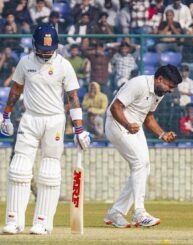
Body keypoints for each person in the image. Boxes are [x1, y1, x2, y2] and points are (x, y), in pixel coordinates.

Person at [1, 24, 90, 235]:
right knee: (19, 168)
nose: (47, 52)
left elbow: (73, 97)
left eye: (50, 48)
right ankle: (14, 221)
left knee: (49, 171)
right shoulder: (25, 63)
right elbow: (15, 90)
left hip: (54, 121)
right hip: (30, 118)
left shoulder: (64, 65)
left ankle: (43, 222)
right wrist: (5, 114)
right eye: (42, 48)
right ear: (34, 44)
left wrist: (79, 130)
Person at [104, 64, 182, 228]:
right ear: (159, 79)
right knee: (139, 164)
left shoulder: (159, 92)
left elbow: (149, 117)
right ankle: (139, 212)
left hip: (134, 126)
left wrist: (162, 134)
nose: (170, 90)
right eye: (169, 86)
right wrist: (126, 125)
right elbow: (115, 107)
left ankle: (116, 212)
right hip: (117, 124)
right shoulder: (138, 84)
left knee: (144, 167)